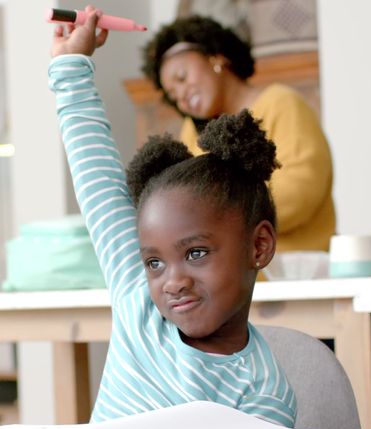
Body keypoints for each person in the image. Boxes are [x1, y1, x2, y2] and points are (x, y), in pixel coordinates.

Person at [49, 6, 296, 427]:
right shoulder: (138, 302)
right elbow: (99, 183)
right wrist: (70, 64)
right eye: (154, 263)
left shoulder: (263, 390)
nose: (173, 281)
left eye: (196, 253)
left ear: (258, 246)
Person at [141, 15, 335, 253]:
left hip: (296, 275)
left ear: (216, 57)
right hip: (227, 282)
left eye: (182, 77)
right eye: (172, 94)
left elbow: (301, 191)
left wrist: (216, 216)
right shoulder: (193, 132)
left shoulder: (281, 103)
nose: (181, 95)